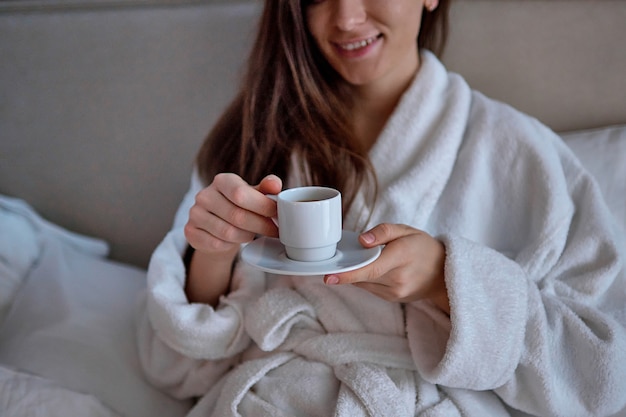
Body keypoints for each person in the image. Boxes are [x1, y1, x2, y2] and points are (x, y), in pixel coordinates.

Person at [136, 0, 626, 415]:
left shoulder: (522, 154)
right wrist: (213, 253)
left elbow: (601, 375)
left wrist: (446, 282)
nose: (345, 18)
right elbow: (176, 369)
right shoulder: (254, 139)